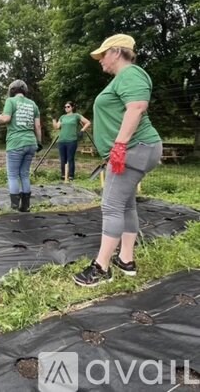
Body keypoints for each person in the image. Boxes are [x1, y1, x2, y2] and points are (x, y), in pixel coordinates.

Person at [73, 34, 162, 287]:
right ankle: (126, 260)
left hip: (134, 149)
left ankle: (101, 268)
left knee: (111, 206)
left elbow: (136, 107)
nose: (100, 60)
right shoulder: (122, 78)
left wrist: (119, 146)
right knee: (125, 205)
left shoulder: (131, 74)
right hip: (138, 149)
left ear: (116, 52)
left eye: (103, 54)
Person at [0, 79, 42, 212]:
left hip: (15, 143)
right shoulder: (33, 104)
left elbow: (5, 119)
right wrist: (39, 142)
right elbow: (37, 126)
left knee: (13, 175)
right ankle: (25, 206)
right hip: (31, 142)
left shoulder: (11, 101)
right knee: (24, 174)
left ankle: (14, 206)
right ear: (24, 90)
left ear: (12, 90)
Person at [52, 101, 91, 181]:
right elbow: (56, 127)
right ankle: (63, 175)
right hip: (62, 140)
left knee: (70, 158)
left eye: (68, 106)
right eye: (65, 107)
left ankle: (71, 176)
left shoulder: (76, 116)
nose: (66, 108)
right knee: (63, 159)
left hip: (72, 140)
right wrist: (53, 119)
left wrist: (82, 130)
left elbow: (88, 122)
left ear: (72, 107)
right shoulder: (62, 117)